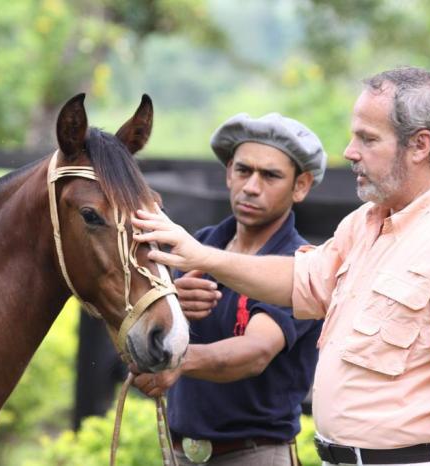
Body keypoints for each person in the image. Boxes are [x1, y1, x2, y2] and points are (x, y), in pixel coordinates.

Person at [131, 67, 430, 466]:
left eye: (367, 138)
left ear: (420, 145)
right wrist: (202, 256)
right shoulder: (366, 223)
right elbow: (301, 279)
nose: (349, 152)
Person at [132, 112, 328, 466]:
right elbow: (141, 325)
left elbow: (255, 352)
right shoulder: (200, 245)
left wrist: (175, 359)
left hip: (256, 456)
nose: (251, 186)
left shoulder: (299, 264)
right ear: (228, 174)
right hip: (178, 453)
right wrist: (171, 304)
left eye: (270, 175)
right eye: (243, 170)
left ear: (301, 186)